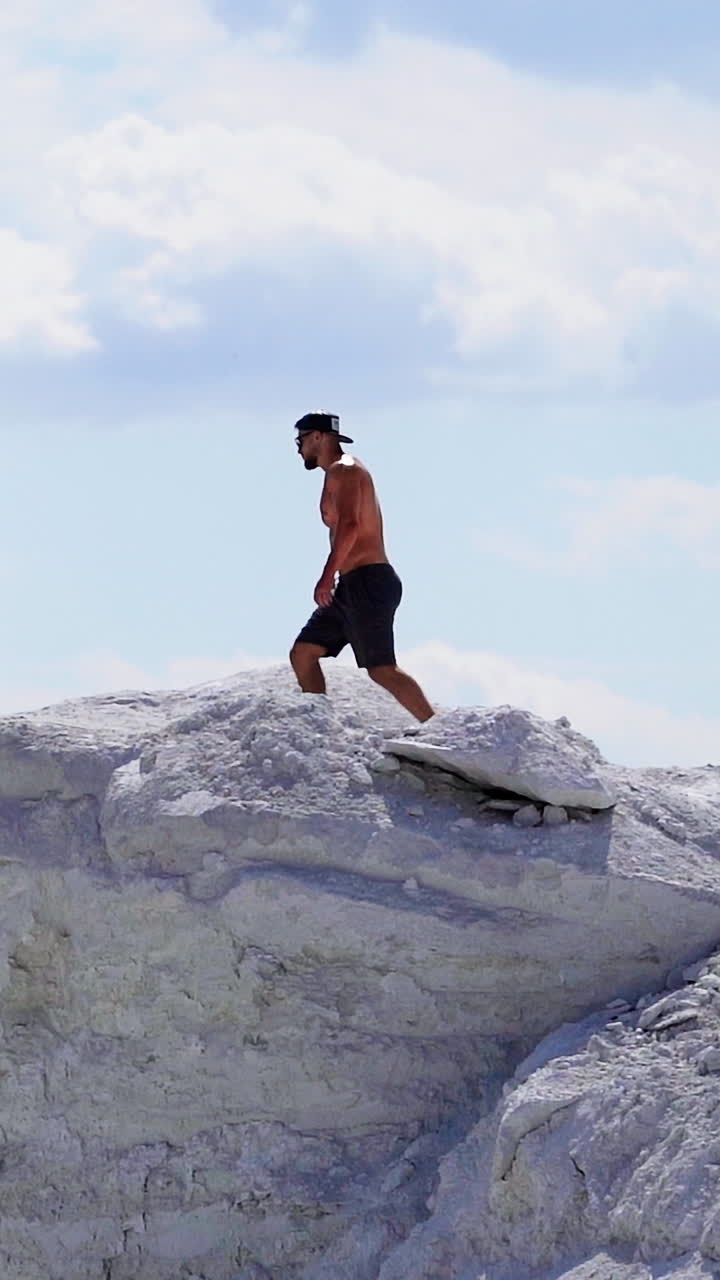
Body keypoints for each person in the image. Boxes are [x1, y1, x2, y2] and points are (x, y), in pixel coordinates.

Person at [289, 411, 434, 722]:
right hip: (351, 584)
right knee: (304, 652)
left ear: (317, 437)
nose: (298, 448)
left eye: (299, 440)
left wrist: (326, 576)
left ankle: (439, 728)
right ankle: (318, 727)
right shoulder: (335, 474)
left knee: (381, 669)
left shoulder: (347, 470)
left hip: (369, 580)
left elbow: (351, 526)